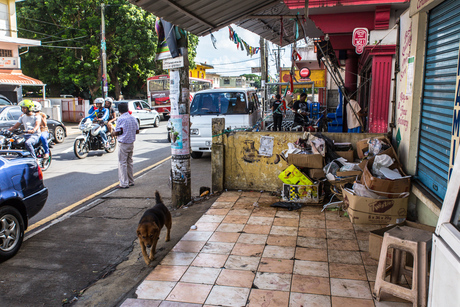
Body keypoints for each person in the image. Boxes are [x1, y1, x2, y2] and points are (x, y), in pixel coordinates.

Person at [112, 102, 139, 189]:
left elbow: (118, 131)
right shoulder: (133, 118)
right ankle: (131, 181)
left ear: (119, 110)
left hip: (123, 143)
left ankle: (124, 183)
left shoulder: (120, 119)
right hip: (131, 143)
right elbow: (137, 131)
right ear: (127, 109)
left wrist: (113, 133)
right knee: (129, 162)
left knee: (122, 163)